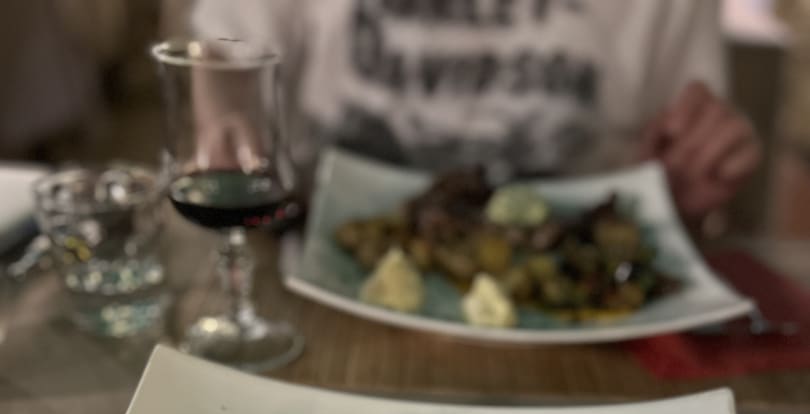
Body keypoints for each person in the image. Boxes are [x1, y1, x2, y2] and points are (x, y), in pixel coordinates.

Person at [187, 0, 761, 222]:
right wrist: (228, 119)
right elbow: (226, 48)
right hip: (320, 248)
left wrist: (684, 177)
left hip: (580, 283)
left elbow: (681, 150)